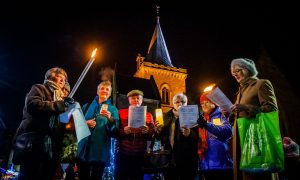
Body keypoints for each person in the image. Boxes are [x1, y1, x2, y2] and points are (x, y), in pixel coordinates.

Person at [13, 67, 74, 180]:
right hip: (36, 143)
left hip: (53, 145)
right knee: (30, 174)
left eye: (64, 79)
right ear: (50, 76)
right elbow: (33, 105)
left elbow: (62, 122)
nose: (63, 80)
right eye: (59, 76)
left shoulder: (62, 98)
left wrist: (70, 115)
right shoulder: (40, 88)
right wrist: (59, 105)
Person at [225, 58, 279, 180]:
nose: (235, 75)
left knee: (258, 175)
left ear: (247, 69)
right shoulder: (239, 92)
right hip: (241, 140)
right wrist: (230, 114)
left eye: (237, 70)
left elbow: (271, 109)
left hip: (257, 141)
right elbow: (241, 116)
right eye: (233, 73)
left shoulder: (261, 84)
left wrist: (246, 107)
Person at [77, 80, 119, 180]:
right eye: (102, 88)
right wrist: (85, 123)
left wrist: (110, 119)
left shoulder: (113, 109)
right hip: (83, 150)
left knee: (97, 177)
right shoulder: (86, 106)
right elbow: (76, 124)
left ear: (109, 93)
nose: (104, 91)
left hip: (100, 150)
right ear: (97, 91)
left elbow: (116, 131)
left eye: (107, 89)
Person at [155, 93, 198, 180]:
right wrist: (158, 131)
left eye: (183, 101)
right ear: (173, 104)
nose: (180, 104)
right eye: (177, 102)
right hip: (169, 160)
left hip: (187, 160)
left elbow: (198, 137)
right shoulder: (166, 116)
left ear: (186, 103)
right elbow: (159, 138)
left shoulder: (193, 115)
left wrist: (189, 134)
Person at [115, 89, 155, 180]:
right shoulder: (121, 113)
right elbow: (115, 131)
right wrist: (123, 131)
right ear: (129, 100)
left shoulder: (148, 115)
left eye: (138, 98)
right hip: (123, 153)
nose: (136, 100)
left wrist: (148, 131)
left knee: (137, 177)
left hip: (139, 155)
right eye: (133, 98)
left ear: (141, 100)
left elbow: (152, 133)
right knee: (121, 176)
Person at [197, 92, 233, 180]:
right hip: (206, 165)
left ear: (213, 103)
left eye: (207, 102)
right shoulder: (201, 119)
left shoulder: (222, 114)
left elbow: (227, 132)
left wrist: (207, 125)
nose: (204, 105)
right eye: (202, 103)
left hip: (222, 164)